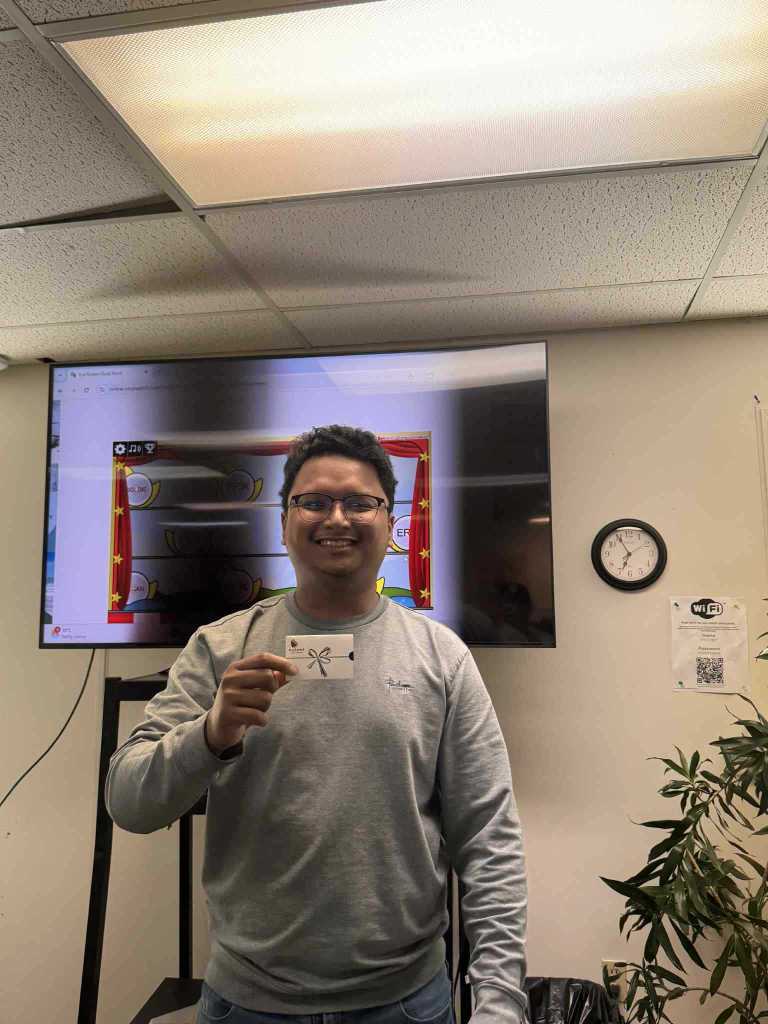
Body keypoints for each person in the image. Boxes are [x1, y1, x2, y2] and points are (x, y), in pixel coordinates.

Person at [105, 424, 528, 1024]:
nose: (337, 518)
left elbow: (489, 836)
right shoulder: (220, 649)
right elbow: (128, 802)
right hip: (246, 1004)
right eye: (314, 501)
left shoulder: (442, 657)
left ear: (390, 523)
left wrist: (500, 1000)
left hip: (406, 1002)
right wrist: (210, 735)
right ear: (284, 523)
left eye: (359, 502)